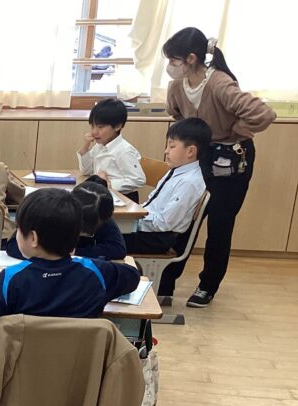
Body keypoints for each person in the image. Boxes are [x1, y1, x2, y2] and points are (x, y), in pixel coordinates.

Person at [158, 27, 276, 307]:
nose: (170, 66)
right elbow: (175, 113)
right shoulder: (177, 86)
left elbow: (264, 114)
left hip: (232, 161)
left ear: (190, 58)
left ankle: (207, 285)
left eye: (173, 60)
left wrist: (235, 129)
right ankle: (165, 282)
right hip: (200, 156)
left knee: (220, 224)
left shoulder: (219, 83)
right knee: (185, 218)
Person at [0, 189, 140, 353]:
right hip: (78, 381)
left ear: (33, 238)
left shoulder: (8, 281)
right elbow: (133, 276)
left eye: (18, 230)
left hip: (17, 381)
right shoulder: (97, 273)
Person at [122, 118, 211, 273]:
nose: (166, 151)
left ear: (190, 151)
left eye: (172, 146)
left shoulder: (189, 182)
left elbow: (164, 223)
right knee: (101, 230)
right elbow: (152, 204)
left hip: (157, 238)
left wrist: (132, 222)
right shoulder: (176, 171)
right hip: (149, 230)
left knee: (100, 238)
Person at [7, 177, 126, 261]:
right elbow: (13, 246)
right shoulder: (49, 211)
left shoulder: (99, 212)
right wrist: (53, 255)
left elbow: (118, 249)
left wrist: (74, 253)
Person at [77, 98, 145, 201]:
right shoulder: (99, 146)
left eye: (100, 127)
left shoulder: (124, 151)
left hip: (123, 199)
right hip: (104, 195)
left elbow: (138, 179)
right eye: (92, 126)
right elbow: (86, 171)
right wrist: (86, 146)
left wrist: (107, 184)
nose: (94, 132)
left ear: (117, 126)